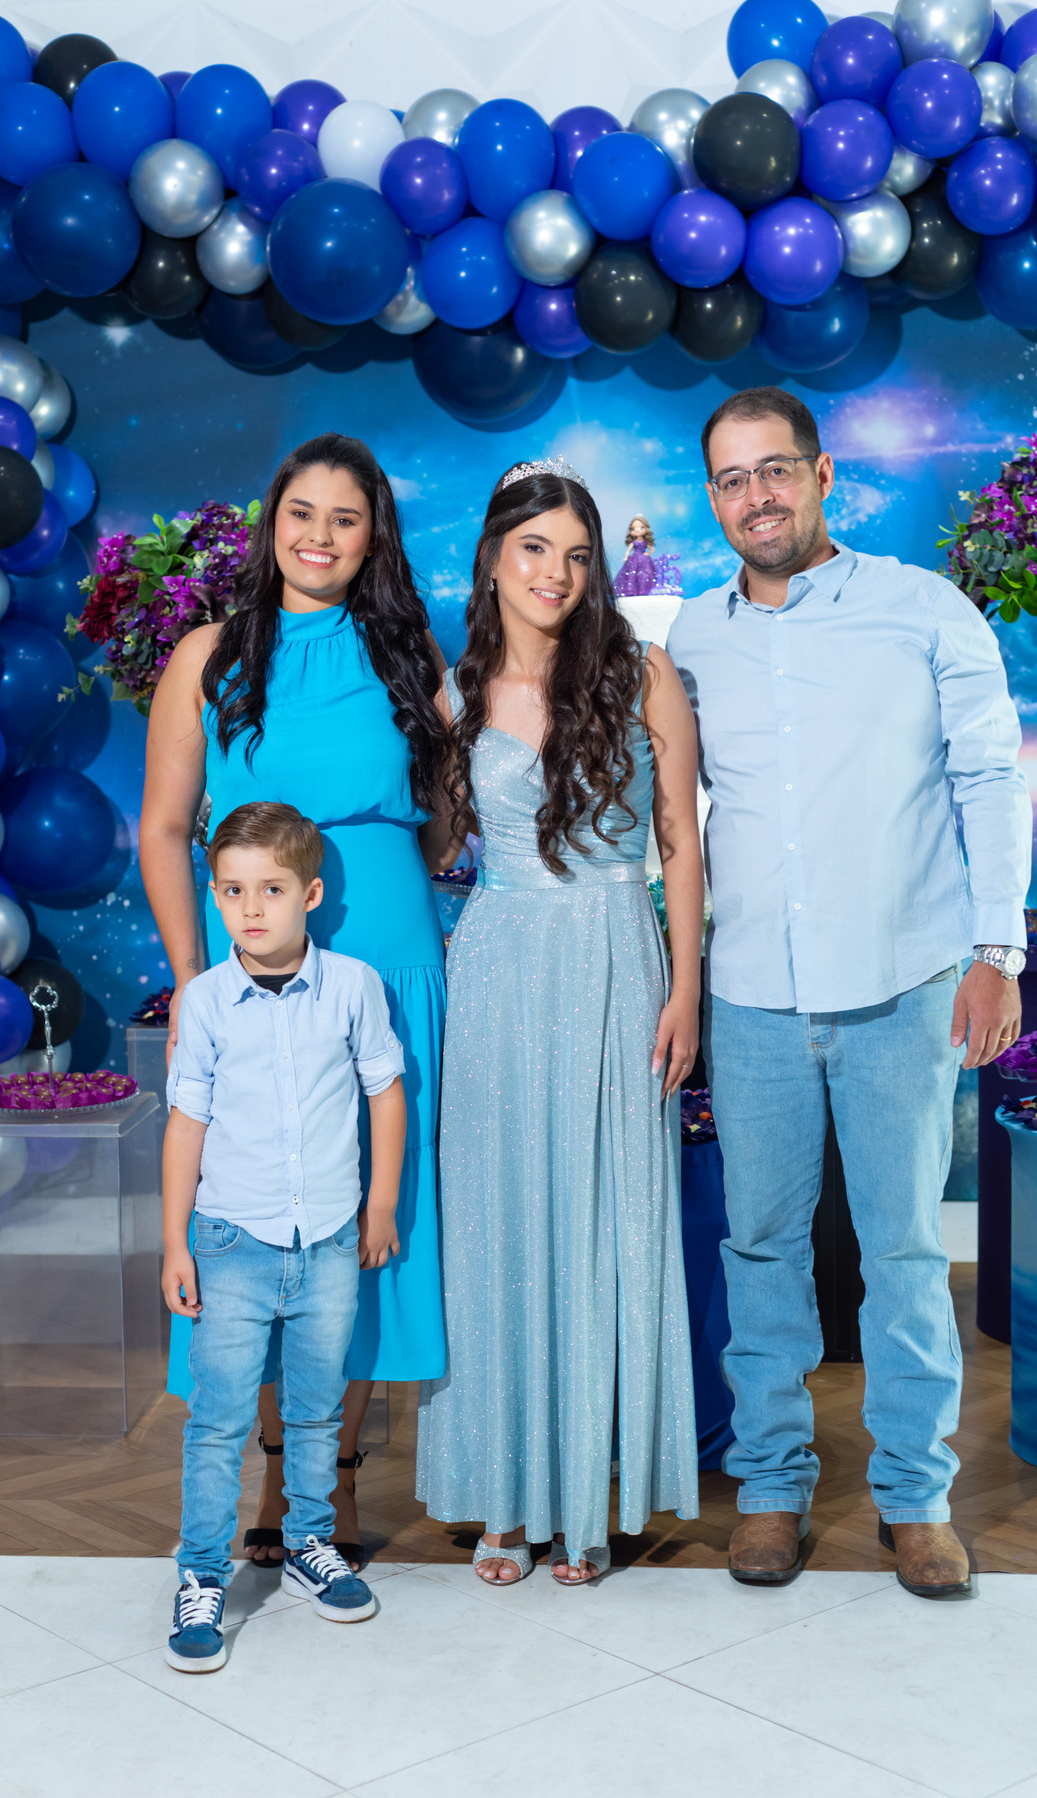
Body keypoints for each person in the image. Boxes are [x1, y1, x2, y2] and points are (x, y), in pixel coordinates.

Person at [668, 387, 1032, 1599]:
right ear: (712, 498)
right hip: (752, 995)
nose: (757, 496)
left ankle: (915, 1498)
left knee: (906, 1250)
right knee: (761, 1249)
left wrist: (996, 951)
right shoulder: (692, 640)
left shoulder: (923, 608)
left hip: (902, 982)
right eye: (733, 479)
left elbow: (990, 777)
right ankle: (771, 1486)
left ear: (823, 476)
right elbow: (669, 814)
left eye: (776, 469)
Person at [140, 434, 449, 1570]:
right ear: (273, 524)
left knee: (364, 1212)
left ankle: (337, 1475)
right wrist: (193, 980)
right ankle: (273, 1466)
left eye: (345, 518)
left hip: (391, 960)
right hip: (254, 965)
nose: (319, 536)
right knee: (258, 1200)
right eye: (301, 513)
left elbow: (456, 805)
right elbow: (163, 828)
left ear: (374, 539)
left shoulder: (408, 651)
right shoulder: (208, 656)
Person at [417, 459, 704, 1584]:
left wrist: (684, 987)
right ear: (493, 557)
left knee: (605, 1222)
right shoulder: (453, 692)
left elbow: (680, 841)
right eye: (535, 548)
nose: (557, 572)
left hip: (616, 955)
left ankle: (585, 1497)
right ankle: (504, 1495)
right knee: (498, 1225)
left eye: (578, 555)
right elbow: (439, 848)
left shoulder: (643, 673)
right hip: (497, 966)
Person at [162, 802, 405, 1671]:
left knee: (315, 1409)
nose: (251, 908)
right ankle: (201, 1574)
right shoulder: (205, 1002)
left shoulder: (354, 987)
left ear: (311, 894)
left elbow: (384, 1094)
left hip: (330, 1238)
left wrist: (381, 1205)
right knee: (218, 1420)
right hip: (232, 1240)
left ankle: (309, 1544)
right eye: (232, 891)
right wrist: (175, 1242)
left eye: (270, 889)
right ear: (215, 897)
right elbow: (186, 1125)